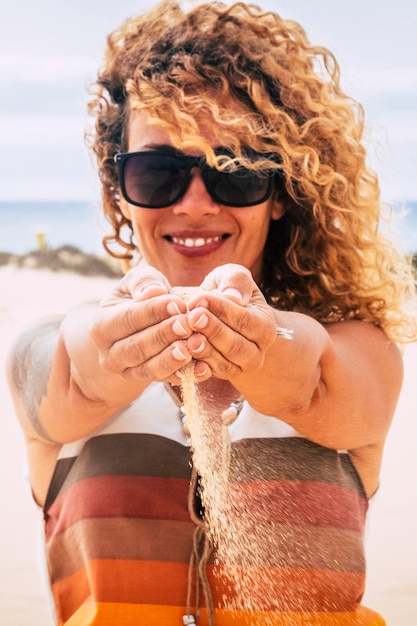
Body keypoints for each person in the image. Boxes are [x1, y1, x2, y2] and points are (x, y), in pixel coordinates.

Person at [6, 1, 417, 625]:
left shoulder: (360, 351)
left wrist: (268, 345)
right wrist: (106, 354)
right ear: (120, 188)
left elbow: (313, 376)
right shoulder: (49, 343)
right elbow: (66, 372)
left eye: (237, 170)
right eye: (158, 172)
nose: (196, 203)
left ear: (280, 194)